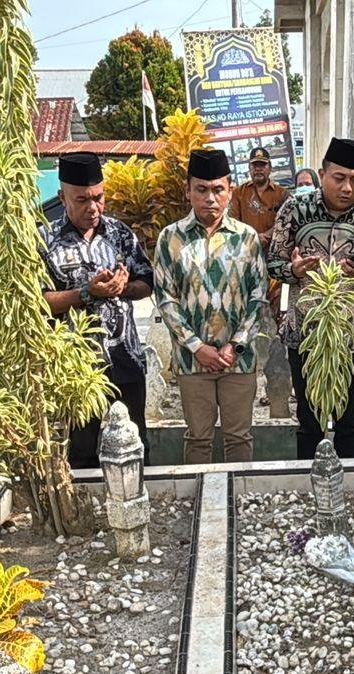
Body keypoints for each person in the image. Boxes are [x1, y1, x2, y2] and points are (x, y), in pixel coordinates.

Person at [266, 137, 354, 458]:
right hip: (307, 337)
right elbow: (273, 263)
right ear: (323, 174)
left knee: (349, 424)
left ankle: (346, 489)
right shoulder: (296, 209)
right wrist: (294, 270)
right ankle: (310, 489)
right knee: (309, 422)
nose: (348, 188)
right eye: (339, 178)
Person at [38, 152, 155, 468]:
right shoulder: (44, 239)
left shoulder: (119, 233)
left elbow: (146, 282)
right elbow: (38, 301)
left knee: (135, 439)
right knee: (83, 446)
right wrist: (86, 293)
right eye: (82, 200)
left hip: (125, 357)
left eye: (98, 198)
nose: (93, 208)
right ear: (63, 198)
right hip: (77, 365)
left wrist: (123, 288)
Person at [154, 148, 268, 463]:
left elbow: (258, 295)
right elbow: (165, 298)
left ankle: (240, 503)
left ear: (230, 190)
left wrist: (236, 345)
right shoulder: (171, 239)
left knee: (239, 438)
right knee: (198, 439)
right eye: (201, 189)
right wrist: (197, 347)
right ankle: (199, 504)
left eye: (218, 189)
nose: (210, 198)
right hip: (194, 363)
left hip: (238, 362)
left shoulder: (247, 239)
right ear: (188, 190)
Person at [227, 146, 288, 249]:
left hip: (275, 250)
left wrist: (267, 235)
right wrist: (254, 238)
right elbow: (232, 223)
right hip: (246, 249)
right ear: (249, 168)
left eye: (262, 165)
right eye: (254, 165)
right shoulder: (238, 193)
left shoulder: (283, 194)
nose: (258, 169)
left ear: (270, 168)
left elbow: (287, 221)